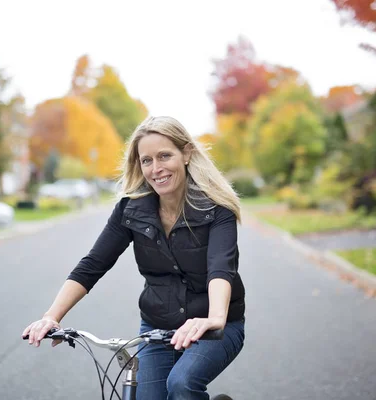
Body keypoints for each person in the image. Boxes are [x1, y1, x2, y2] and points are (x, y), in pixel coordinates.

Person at [22, 116, 246, 400]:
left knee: (181, 384)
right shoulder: (131, 210)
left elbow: (220, 269)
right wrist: (51, 317)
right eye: (147, 160)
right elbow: (92, 265)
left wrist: (214, 318)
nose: (156, 169)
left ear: (186, 154)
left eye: (165, 156)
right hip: (158, 327)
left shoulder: (217, 210)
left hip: (215, 328)